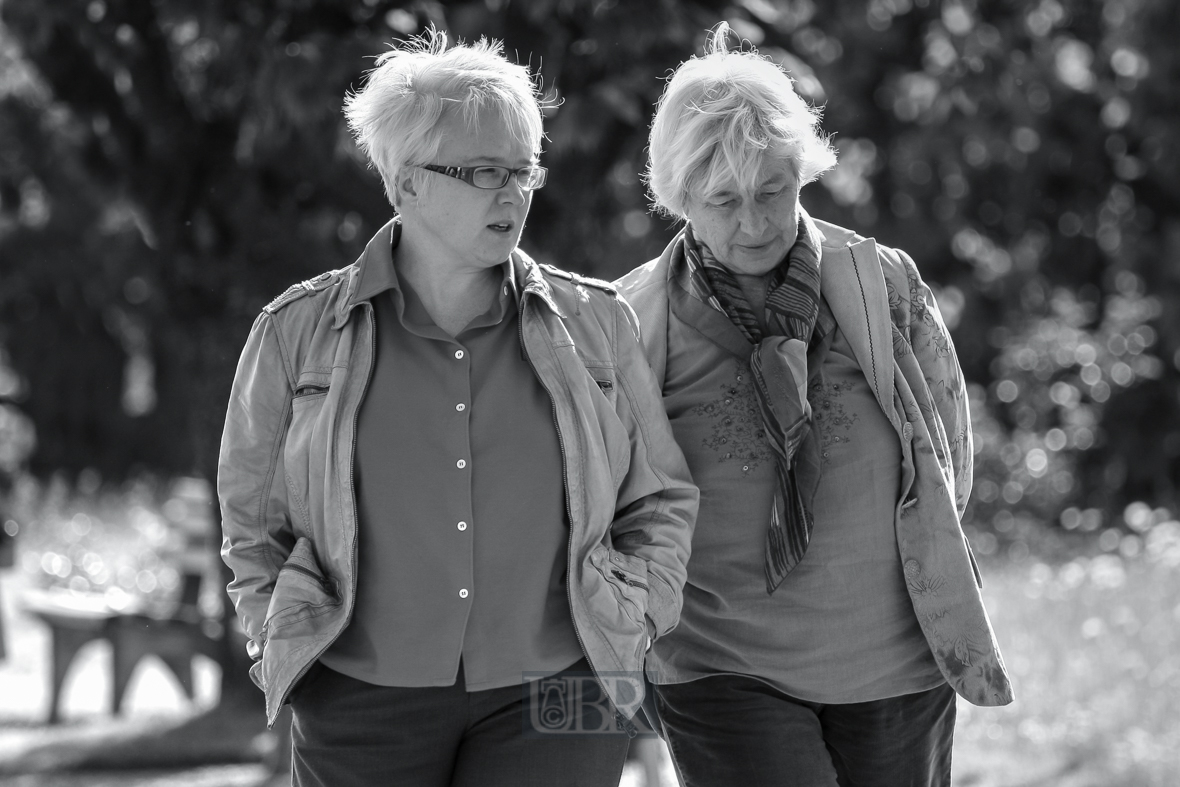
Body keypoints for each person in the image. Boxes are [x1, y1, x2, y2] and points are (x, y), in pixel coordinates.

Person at [217, 30, 697, 787]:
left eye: (523, 170)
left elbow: (661, 497)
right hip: (358, 698)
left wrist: (634, 616)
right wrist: (280, 634)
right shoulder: (295, 333)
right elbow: (251, 523)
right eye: (482, 171)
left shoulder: (598, 323)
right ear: (405, 184)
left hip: (564, 690)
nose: (511, 192)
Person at [615, 24, 1013, 787]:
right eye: (723, 200)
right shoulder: (632, 320)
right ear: (679, 196)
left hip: (894, 659)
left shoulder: (883, 283)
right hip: (717, 663)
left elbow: (948, 459)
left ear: (804, 167)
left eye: (773, 189)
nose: (755, 222)